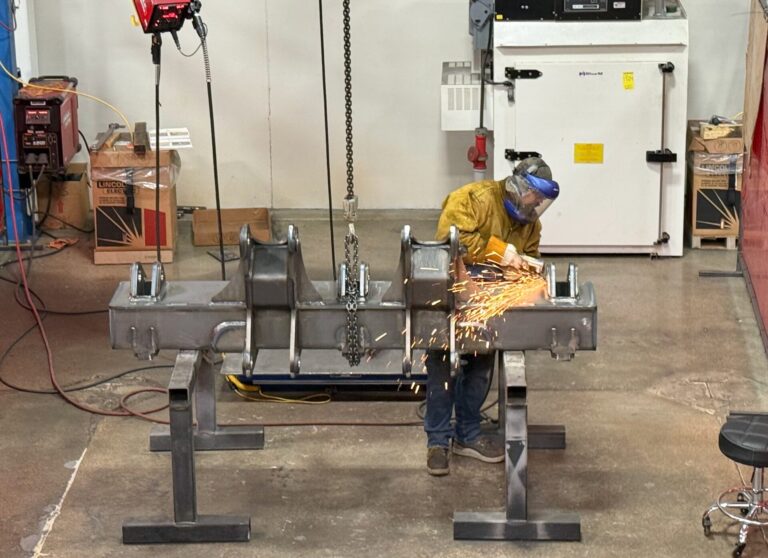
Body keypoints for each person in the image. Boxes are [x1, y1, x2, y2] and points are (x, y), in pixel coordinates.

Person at [425, 157, 560, 476]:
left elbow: (531, 259)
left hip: (489, 302)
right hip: (452, 291)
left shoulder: (530, 223)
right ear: (518, 186)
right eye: (535, 196)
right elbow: (451, 240)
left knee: (482, 365)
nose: (538, 203)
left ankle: (467, 434)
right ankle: (437, 441)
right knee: (442, 365)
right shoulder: (473, 198)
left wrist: (528, 272)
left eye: (542, 200)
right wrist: (501, 252)